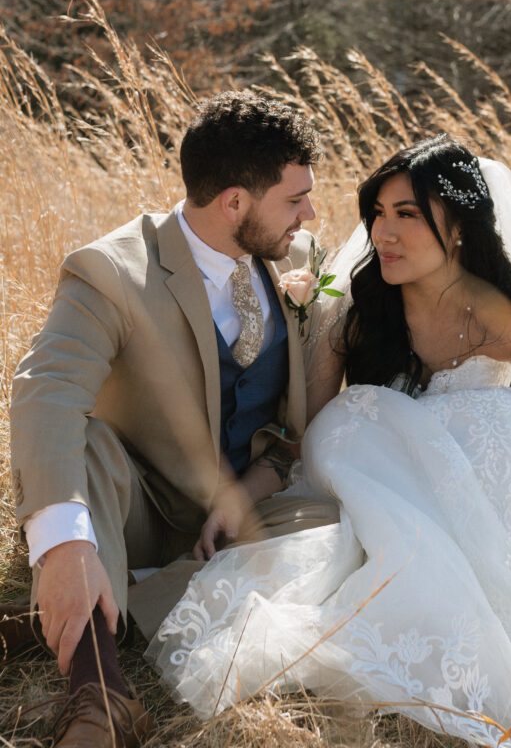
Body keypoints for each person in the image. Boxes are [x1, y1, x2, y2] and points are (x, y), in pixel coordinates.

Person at [148, 135, 511, 748]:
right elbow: (304, 444)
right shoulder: (356, 312)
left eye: (407, 215)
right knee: (362, 413)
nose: (383, 233)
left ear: (458, 228)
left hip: (501, 514)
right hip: (397, 506)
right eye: (377, 213)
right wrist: (241, 495)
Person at [6, 91, 339, 747]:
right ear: (235, 203)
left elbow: (291, 427)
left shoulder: (299, 263)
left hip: (238, 515)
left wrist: (250, 488)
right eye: (295, 198)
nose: (311, 213)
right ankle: (98, 696)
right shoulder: (112, 270)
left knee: (339, 525)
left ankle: (93, 612)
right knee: (91, 442)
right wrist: (67, 544)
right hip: (132, 506)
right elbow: (44, 389)